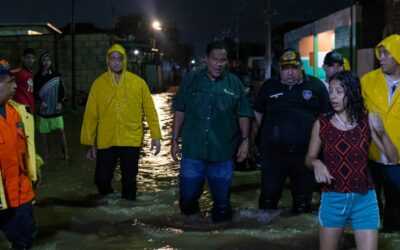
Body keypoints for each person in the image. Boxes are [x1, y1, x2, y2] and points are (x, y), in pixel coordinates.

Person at [305, 71, 398, 250]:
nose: (333, 96)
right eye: (331, 91)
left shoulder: (366, 121)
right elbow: (309, 158)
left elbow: (393, 158)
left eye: (339, 91)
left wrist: (383, 132)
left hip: (365, 200)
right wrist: (316, 162)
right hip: (333, 197)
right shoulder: (322, 124)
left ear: (352, 92)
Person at [171, 41, 252, 222]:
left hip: (223, 153)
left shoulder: (234, 83)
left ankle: (221, 238)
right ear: (206, 59)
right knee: (188, 198)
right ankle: (191, 236)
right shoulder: (191, 80)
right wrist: (174, 140)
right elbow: (180, 109)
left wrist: (246, 140)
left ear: (227, 62)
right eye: (214, 59)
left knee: (222, 203)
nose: (218, 64)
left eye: (222, 60)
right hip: (193, 151)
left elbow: (244, 113)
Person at [253, 48, 330, 214]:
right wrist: (255, 139)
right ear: (279, 68)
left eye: (294, 68)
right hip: (273, 155)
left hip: (305, 155)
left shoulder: (316, 86)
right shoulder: (269, 86)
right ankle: (264, 236)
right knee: (268, 198)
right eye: (285, 68)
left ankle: (298, 235)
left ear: (301, 67)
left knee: (303, 202)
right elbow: (258, 113)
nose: (289, 73)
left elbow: (326, 117)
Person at [81, 44, 161, 200]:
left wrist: (155, 136)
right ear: (108, 60)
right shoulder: (99, 84)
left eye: (120, 59)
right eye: (113, 58)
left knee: (129, 180)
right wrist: (88, 142)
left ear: (124, 61)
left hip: (131, 139)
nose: (116, 62)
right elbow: (91, 114)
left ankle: (128, 213)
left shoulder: (138, 83)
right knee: (101, 179)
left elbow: (150, 111)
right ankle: (111, 204)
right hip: (106, 140)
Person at [361, 34, 400, 232]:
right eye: (380, 53)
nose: (381, 58)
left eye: (386, 53)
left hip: (398, 160)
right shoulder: (367, 81)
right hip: (371, 155)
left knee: (397, 211)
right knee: (370, 208)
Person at [0, 59, 39, 249]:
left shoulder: (18, 112)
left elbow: (27, 150)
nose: (16, 86)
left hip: (21, 195)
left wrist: (35, 170)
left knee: (25, 241)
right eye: (10, 82)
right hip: (2, 196)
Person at [33, 53, 68, 160]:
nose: (47, 62)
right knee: (44, 133)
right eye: (44, 60)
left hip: (56, 109)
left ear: (51, 62)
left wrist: (60, 103)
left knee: (61, 130)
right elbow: (34, 92)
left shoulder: (57, 75)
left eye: (49, 60)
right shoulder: (37, 76)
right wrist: (39, 102)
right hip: (44, 110)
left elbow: (63, 91)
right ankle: (46, 156)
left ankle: (65, 154)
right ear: (41, 62)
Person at [12, 48, 36, 113]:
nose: (30, 60)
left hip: (29, 106)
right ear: (23, 58)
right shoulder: (18, 72)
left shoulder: (31, 72)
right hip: (20, 106)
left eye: (32, 58)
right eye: (28, 58)